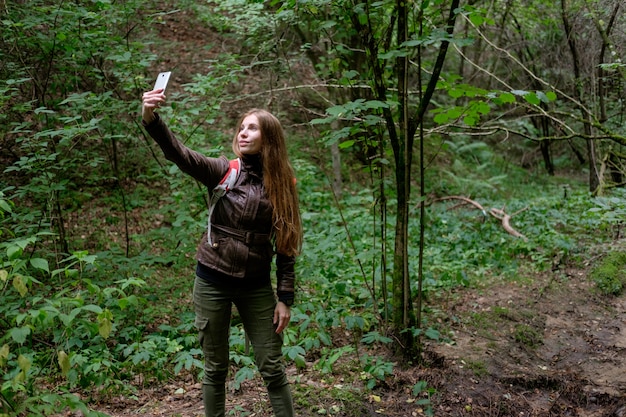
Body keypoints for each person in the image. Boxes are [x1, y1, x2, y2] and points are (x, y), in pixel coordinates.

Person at [141, 88, 303, 417]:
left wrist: (285, 296)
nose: (243, 132)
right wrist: (151, 118)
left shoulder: (283, 184)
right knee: (215, 368)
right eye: (242, 127)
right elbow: (179, 154)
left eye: (252, 127)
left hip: (256, 286)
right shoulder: (224, 171)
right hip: (212, 280)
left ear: (269, 137)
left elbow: (286, 244)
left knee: (272, 367)